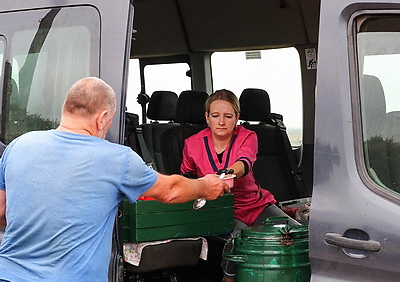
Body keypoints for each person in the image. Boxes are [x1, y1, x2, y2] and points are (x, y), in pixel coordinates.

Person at [0, 77, 230, 282]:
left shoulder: (19, 146)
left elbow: (2, 211)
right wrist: (205, 186)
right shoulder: (116, 158)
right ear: (102, 118)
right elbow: (170, 191)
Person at [180, 89, 299, 282]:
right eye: (215, 116)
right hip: (217, 207)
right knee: (241, 238)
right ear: (207, 117)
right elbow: (187, 176)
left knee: (294, 234)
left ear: (237, 117)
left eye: (228, 116)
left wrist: (228, 173)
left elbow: (245, 161)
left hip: (254, 204)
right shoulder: (191, 143)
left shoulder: (248, 136)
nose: (221, 122)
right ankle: (229, 278)